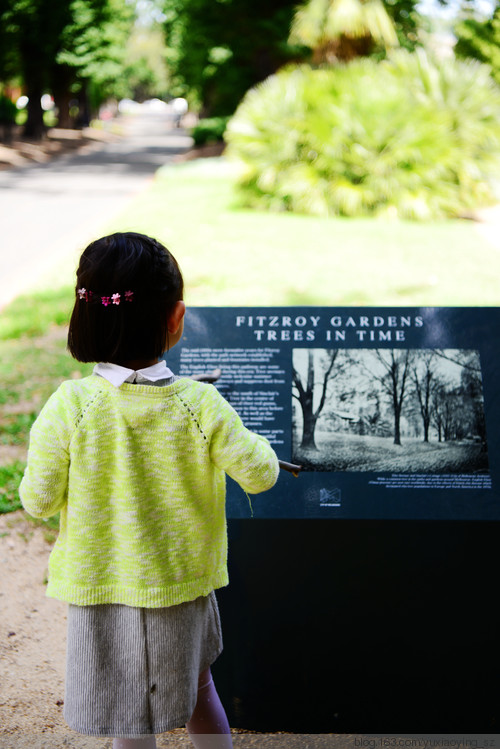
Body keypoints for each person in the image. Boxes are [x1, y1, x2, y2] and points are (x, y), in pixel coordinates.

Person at [19, 232, 280, 749]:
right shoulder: (200, 405)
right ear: (176, 318)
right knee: (200, 689)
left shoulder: (70, 406)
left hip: (102, 586)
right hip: (181, 584)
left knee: (126, 713)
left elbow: (38, 500)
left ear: (83, 319)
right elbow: (261, 474)